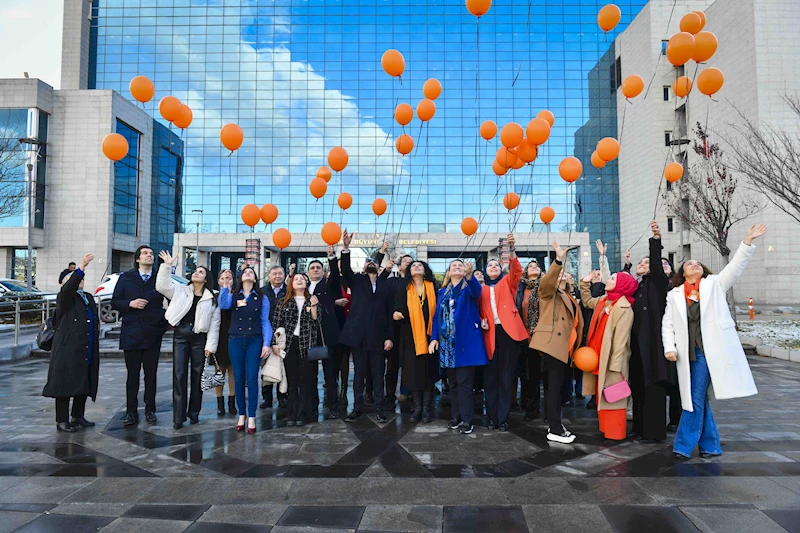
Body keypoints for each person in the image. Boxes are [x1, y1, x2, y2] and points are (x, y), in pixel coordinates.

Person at [664, 224, 766, 459]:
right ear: (683, 272)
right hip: (685, 353)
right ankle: (711, 446)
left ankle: (683, 445)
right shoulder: (675, 295)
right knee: (699, 399)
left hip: (708, 352)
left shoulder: (715, 285)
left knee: (693, 398)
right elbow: (667, 324)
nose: (695, 264)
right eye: (690, 263)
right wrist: (669, 347)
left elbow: (736, 267)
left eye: (698, 263)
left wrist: (747, 241)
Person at [156, 251, 221, 430]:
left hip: (200, 339)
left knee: (198, 377)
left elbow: (215, 324)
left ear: (206, 278)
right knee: (179, 375)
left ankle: (194, 413)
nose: (196, 273)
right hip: (181, 335)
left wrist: (211, 346)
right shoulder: (181, 290)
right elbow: (161, 285)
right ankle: (178, 417)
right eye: (195, 270)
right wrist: (167, 266)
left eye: (201, 271)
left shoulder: (211, 298)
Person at [622, 221, 672, 443]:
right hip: (637, 345)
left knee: (653, 388)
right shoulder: (640, 285)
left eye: (645, 263)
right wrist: (627, 266)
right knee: (639, 387)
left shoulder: (658, 283)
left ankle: (654, 432)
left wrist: (656, 241)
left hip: (653, 345)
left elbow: (656, 265)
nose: (641, 265)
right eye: (639, 263)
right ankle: (639, 428)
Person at [530, 242, 584, 443]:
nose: (562, 276)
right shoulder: (549, 293)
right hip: (552, 345)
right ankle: (554, 428)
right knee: (553, 387)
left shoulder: (570, 297)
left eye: (565, 275)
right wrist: (558, 261)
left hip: (566, 350)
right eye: (559, 274)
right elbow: (546, 284)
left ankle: (555, 424)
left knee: (558, 388)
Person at [339, 230, 395, 423]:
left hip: (378, 338)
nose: (371, 264)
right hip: (358, 337)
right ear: (363, 267)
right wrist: (345, 248)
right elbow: (345, 270)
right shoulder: (357, 281)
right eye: (368, 262)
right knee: (359, 375)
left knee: (378, 375)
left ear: (379, 268)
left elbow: (389, 313)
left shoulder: (384, 286)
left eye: (374, 262)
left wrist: (389, 337)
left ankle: (379, 408)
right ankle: (357, 408)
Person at [112, 245, 169, 427]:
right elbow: (115, 302)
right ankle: (131, 412)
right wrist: (130, 303)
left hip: (153, 333)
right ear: (137, 259)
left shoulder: (159, 278)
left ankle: (150, 410)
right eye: (145, 253)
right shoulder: (126, 278)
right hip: (132, 333)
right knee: (133, 376)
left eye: (151, 253)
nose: (149, 255)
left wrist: (165, 322)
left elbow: (174, 298)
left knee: (151, 375)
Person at [430, 259, 488, 434]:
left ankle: (467, 419)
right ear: (448, 272)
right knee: (452, 384)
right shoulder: (441, 292)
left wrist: (470, 277)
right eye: (453, 266)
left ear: (464, 271)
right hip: (447, 345)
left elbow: (478, 292)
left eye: (460, 265)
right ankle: (455, 416)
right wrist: (434, 338)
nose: (456, 267)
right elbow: (436, 317)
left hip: (464, 344)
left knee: (464, 384)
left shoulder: (468, 289)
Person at [43, 254, 99, 432]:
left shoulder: (87, 298)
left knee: (83, 380)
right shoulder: (65, 297)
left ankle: (78, 415)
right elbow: (69, 288)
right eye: (75, 279)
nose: (80, 281)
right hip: (68, 348)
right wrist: (81, 267)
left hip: (86, 347)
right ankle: (62, 420)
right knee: (65, 382)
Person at [580, 268, 638, 441]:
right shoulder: (605, 300)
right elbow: (587, 301)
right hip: (597, 356)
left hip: (612, 359)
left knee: (614, 396)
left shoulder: (624, 308)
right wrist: (585, 283)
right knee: (602, 395)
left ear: (621, 285)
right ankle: (606, 429)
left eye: (613, 278)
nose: (609, 279)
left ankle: (615, 432)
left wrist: (615, 365)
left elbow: (621, 341)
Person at [479, 234, 528, 432]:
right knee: (490, 379)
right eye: (489, 265)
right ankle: (491, 417)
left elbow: (517, 271)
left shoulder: (508, 283)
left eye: (496, 266)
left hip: (507, 334)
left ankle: (503, 418)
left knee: (506, 378)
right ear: (484, 270)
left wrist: (512, 251)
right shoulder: (479, 289)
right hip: (487, 334)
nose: (493, 267)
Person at [219, 266, 273, 434]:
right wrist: (225, 286)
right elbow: (223, 304)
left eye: (251, 272)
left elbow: (265, 321)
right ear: (240, 278)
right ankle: (241, 414)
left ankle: (251, 416)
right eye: (245, 272)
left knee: (251, 378)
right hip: (235, 339)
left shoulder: (262, 297)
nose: (248, 273)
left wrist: (266, 343)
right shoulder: (234, 295)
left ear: (255, 279)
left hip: (254, 340)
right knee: (239, 379)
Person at [271, 273, 321, 426]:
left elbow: (317, 323)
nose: (299, 281)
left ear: (306, 283)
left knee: (305, 380)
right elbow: (276, 323)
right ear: (291, 283)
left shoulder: (312, 299)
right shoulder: (283, 302)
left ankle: (303, 414)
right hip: (289, 344)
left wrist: (313, 306)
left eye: (302, 279)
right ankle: (291, 414)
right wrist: (274, 343)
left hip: (307, 344)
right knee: (291, 380)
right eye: (296, 279)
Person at [393, 260, 439, 423]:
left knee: (429, 373)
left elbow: (438, 311)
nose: (417, 267)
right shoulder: (404, 288)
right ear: (409, 271)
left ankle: (426, 408)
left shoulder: (433, 287)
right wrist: (396, 314)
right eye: (413, 265)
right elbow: (398, 308)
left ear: (425, 270)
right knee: (413, 374)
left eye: (420, 265)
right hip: (410, 337)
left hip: (431, 336)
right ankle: (417, 407)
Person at [307, 246, 344, 419]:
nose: (315, 270)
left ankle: (333, 407)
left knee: (330, 375)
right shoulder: (302, 287)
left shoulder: (328, 285)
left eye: (318, 268)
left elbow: (335, 273)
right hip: (308, 338)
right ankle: (312, 407)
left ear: (323, 271)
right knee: (310, 375)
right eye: (312, 268)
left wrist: (331, 257)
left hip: (328, 336)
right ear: (308, 272)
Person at [378, 247, 414, 411]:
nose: (409, 263)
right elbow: (379, 284)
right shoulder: (392, 281)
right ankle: (390, 395)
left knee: (410, 364)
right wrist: (385, 270)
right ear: (399, 267)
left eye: (411, 262)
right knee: (392, 365)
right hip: (393, 328)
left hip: (411, 327)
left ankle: (408, 393)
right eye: (406, 261)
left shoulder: (416, 283)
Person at [516, 259, 544, 420]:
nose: (534, 268)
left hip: (540, 335)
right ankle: (528, 406)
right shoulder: (521, 289)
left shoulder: (545, 286)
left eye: (537, 266)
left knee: (537, 373)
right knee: (526, 374)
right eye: (530, 266)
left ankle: (537, 409)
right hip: (523, 335)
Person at [261, 265, 288, 410]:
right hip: (266, 334)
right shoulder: (262, 291)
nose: (277, 276)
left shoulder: (289, 290)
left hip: (283, 334)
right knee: (266, 365)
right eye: (274, 273)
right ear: (269, 276)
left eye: (280, 273)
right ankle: (267, 398)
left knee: (282, 366)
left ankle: (282, 396)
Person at [214, 269, 236, 416]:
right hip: (218, 335)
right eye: (223, 278)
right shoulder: (214, 297)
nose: (226, 280)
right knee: (219, 371)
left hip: (233, 334)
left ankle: (232, 403)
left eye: (229, 278)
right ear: (218, 281)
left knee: (233, 371)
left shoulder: (237, 296)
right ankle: (219, 403)